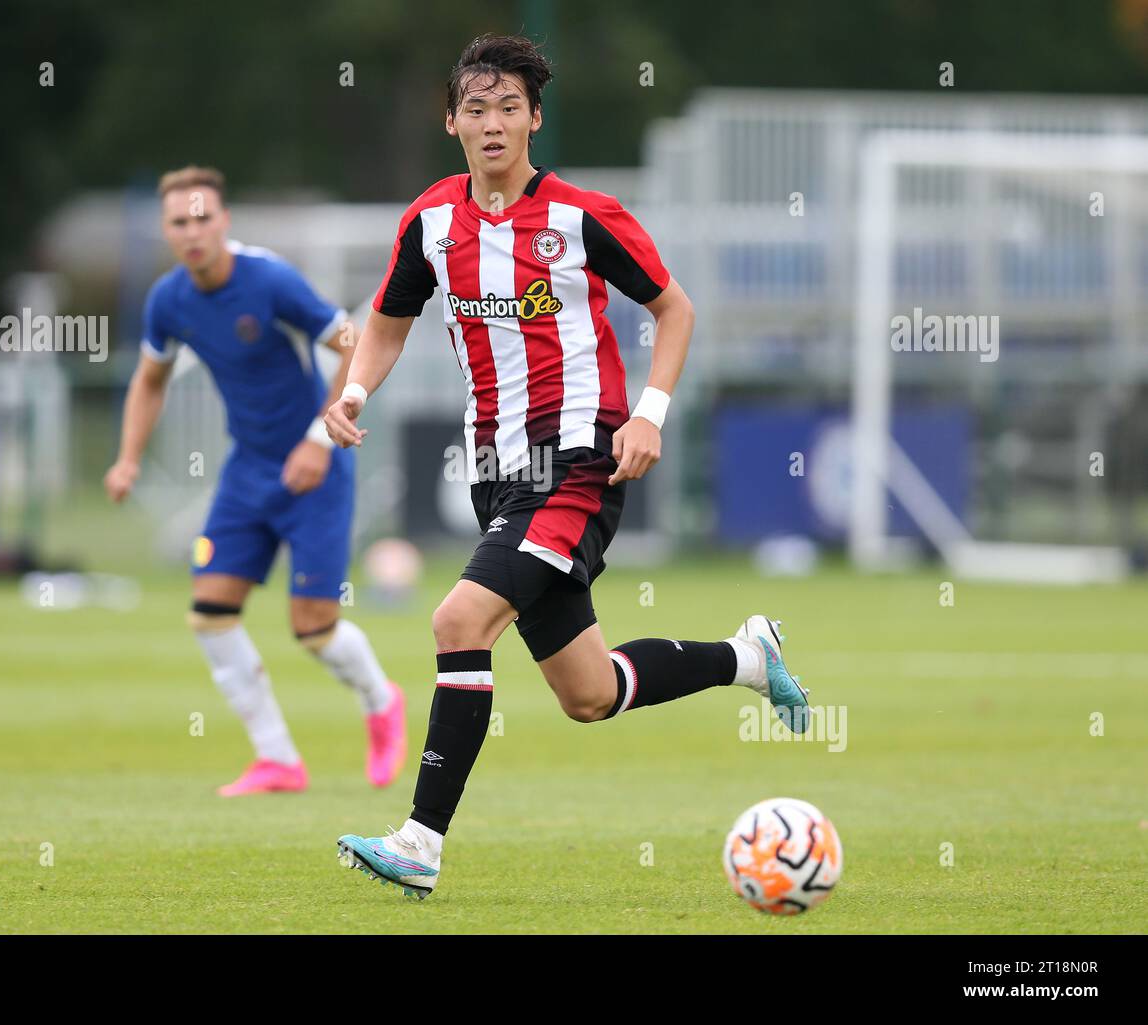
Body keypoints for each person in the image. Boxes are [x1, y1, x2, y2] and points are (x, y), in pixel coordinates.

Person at [326, 36, 810, 898]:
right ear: (451, 122)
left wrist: (651, 415)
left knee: (457, 621)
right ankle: (746, 655)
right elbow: (390, 319)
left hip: (577, 462)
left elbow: (674, 307)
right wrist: (355, 392)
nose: (493, 123)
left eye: (510, 106)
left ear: (534, 119)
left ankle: (420, 843)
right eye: (476, 108)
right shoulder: (432, 220)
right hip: (495, 473)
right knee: (588, 693)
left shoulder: (580, 216)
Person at [105, 166, 406, 796]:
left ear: (225, 221)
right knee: (210, 612)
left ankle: (381, 702)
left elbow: (351, 341)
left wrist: (320, 439)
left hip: (316, 465)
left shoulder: (268, 279)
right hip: (248, 470)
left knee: (314, 629)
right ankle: (278, 760)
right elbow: (151, 378)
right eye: (179, 223)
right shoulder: (169, 300)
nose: (192, 232)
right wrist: (129, 457)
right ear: (167, 230)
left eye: (202, 219)